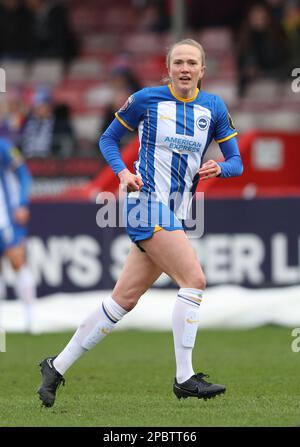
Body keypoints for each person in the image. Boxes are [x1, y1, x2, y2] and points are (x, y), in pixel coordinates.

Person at [37, 38, 243, 407]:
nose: (184, 68)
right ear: (168, 68)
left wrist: (221, 167)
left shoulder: (213, 107)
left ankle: (56, 366)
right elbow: (108, 139)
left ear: (202, 70)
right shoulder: (147, 99)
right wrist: (122, 172)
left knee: (123, 300)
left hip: (177, 212)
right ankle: (184, 378)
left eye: (191, 63)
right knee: (194, 279)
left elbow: (237, 161)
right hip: (144, 205)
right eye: (178, 62)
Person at [0, 137, 36, 333]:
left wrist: (22, 203)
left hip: (5, 218)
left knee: (17, 262)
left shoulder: (3, 147)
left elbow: (24, 174)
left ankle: (31, 318)